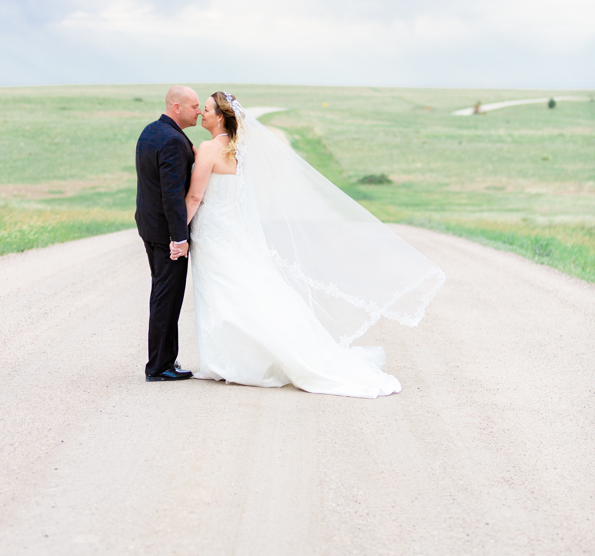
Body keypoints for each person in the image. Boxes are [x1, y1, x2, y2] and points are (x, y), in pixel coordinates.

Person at [170, 92, 445, 399]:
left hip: (213, 231)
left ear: (220, 117)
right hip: (232, 230)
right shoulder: (240, 150)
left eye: (206, 110)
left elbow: (194, 197)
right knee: (242, 290)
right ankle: (238, 358)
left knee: (221, 293)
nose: (202, 115)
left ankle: (229, 361)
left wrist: (178, 235)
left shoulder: (208, 149)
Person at [135, 85, 201, 382]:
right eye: (194, 106)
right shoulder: (174, 141)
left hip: (149, 226)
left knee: (162, 293)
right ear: (177, 107)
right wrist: (179, 238)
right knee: (167, 296)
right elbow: (171, 195)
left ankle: (163, 361)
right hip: (165, 233)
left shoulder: (151, 131)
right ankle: (160, 366)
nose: (198, 111)